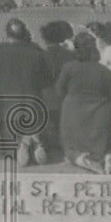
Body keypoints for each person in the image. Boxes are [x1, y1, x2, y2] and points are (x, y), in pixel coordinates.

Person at [0, 19, 53, 167]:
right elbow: (47, 80)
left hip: (8, 106)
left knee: (9, 144)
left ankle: (22, 144)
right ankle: (33, 141)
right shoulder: (37, 53)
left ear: (7, 34)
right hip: (33, 104)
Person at [54, 32, 111, 174]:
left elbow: (59, 90)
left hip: (73, 114)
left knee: (70, 148)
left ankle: (81, 159)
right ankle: (108, 158)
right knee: (109, 145)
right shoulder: (103, 71)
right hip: (100, 115)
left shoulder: (68, 68)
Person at [39, 21, 74, 163]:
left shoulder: (42, 55)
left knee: (50, 128)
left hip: (46, 97)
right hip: (66, 97)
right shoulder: (70, 55)